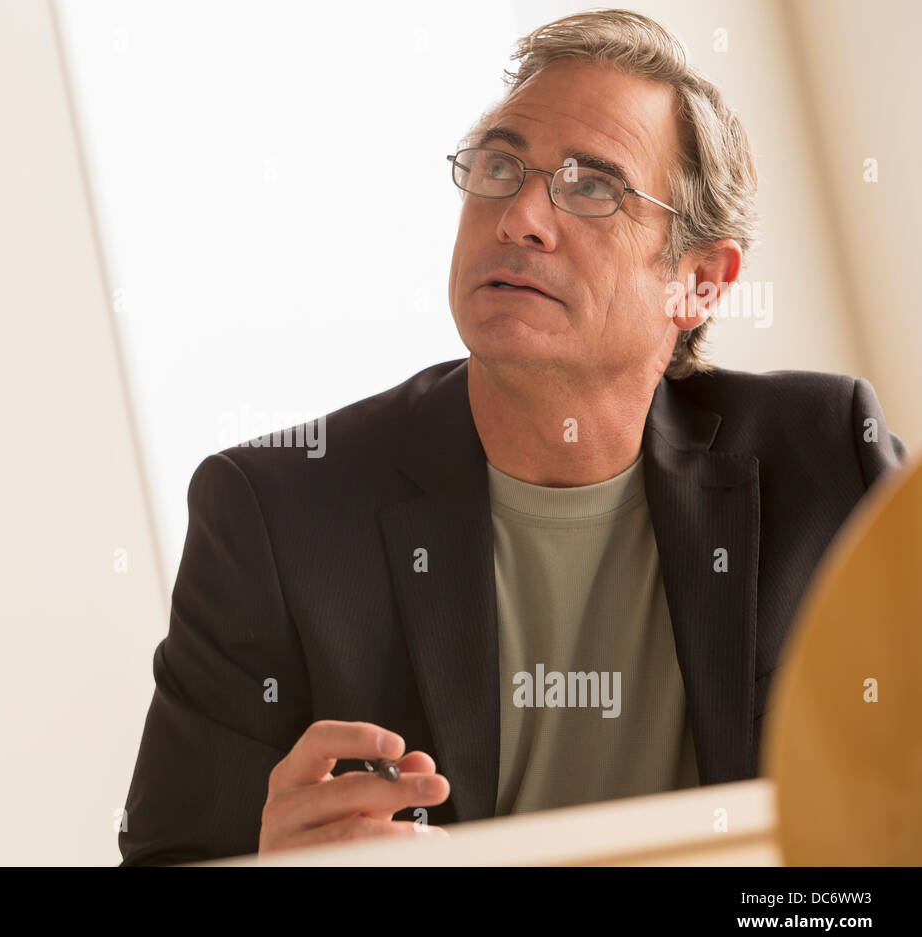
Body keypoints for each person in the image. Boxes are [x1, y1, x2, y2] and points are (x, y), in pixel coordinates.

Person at [118, 8, 908, 865]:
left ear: (699, 283)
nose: (520, 216)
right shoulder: (274, 510)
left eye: (592, 184)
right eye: (500, 166)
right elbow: (171, 854)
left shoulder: (830, 457)